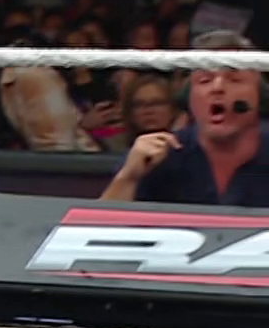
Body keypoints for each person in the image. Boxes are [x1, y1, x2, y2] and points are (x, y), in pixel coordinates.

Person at [102, 32, 269, 206]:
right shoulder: (160, 155)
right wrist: (128, 177)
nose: (217, 87)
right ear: (189, 99)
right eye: (204, 80)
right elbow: (102, 222)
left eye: (235, 80)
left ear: (259, 95)